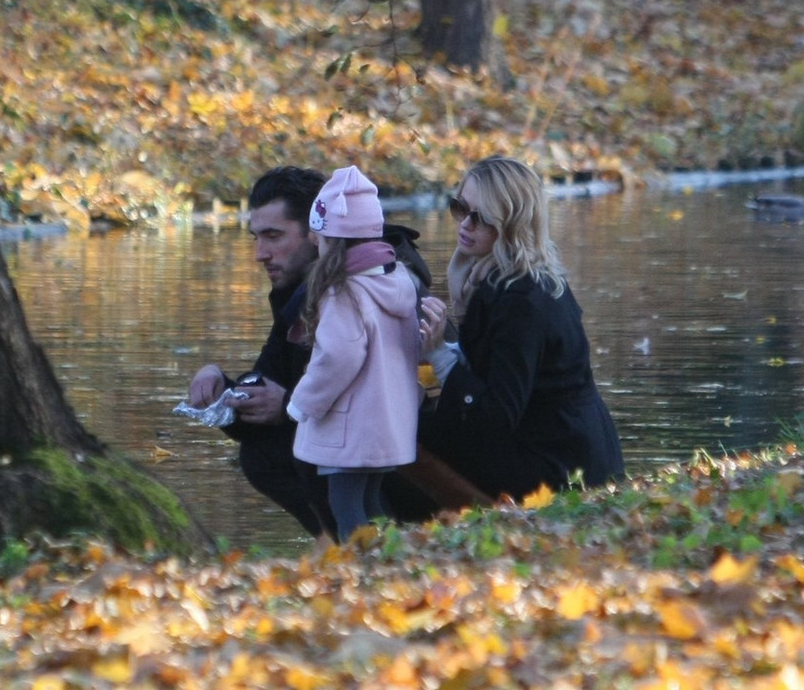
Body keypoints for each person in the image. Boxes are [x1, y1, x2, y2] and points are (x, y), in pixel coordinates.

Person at [186, 166, 436, 545]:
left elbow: (339, 358)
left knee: (341, 493)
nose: (259, 254)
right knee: (273, 457)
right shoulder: (373, 279)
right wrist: (224, 387)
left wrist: (292, 406)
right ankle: (374, 556)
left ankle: (357, 559)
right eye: (255, 238)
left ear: (317, 235)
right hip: (385, 435)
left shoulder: (342, 291)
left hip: (416, 454)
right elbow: (273, 372)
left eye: (273, 236)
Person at [414, 156, 625, 505]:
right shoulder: (500, 277)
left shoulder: (521, 298)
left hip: (562, 467)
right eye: (459, 208)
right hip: (565, 447)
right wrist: (436, 358)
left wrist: (439, 356)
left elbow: (495, 415)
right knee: (405, 429)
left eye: (480, 218)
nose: (465, 224)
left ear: (510, 223)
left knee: (401, 441)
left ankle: (478, 527)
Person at [286, 166, 422, 542]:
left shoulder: (343, 292)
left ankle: (361, 578)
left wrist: (303, 402)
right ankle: (395, 563)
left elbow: (338, 357)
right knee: (372, 501)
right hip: (387, 423)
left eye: (321, 237)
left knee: (345, 504)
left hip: (349, 426)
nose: (316, 243)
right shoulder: (397, 282)